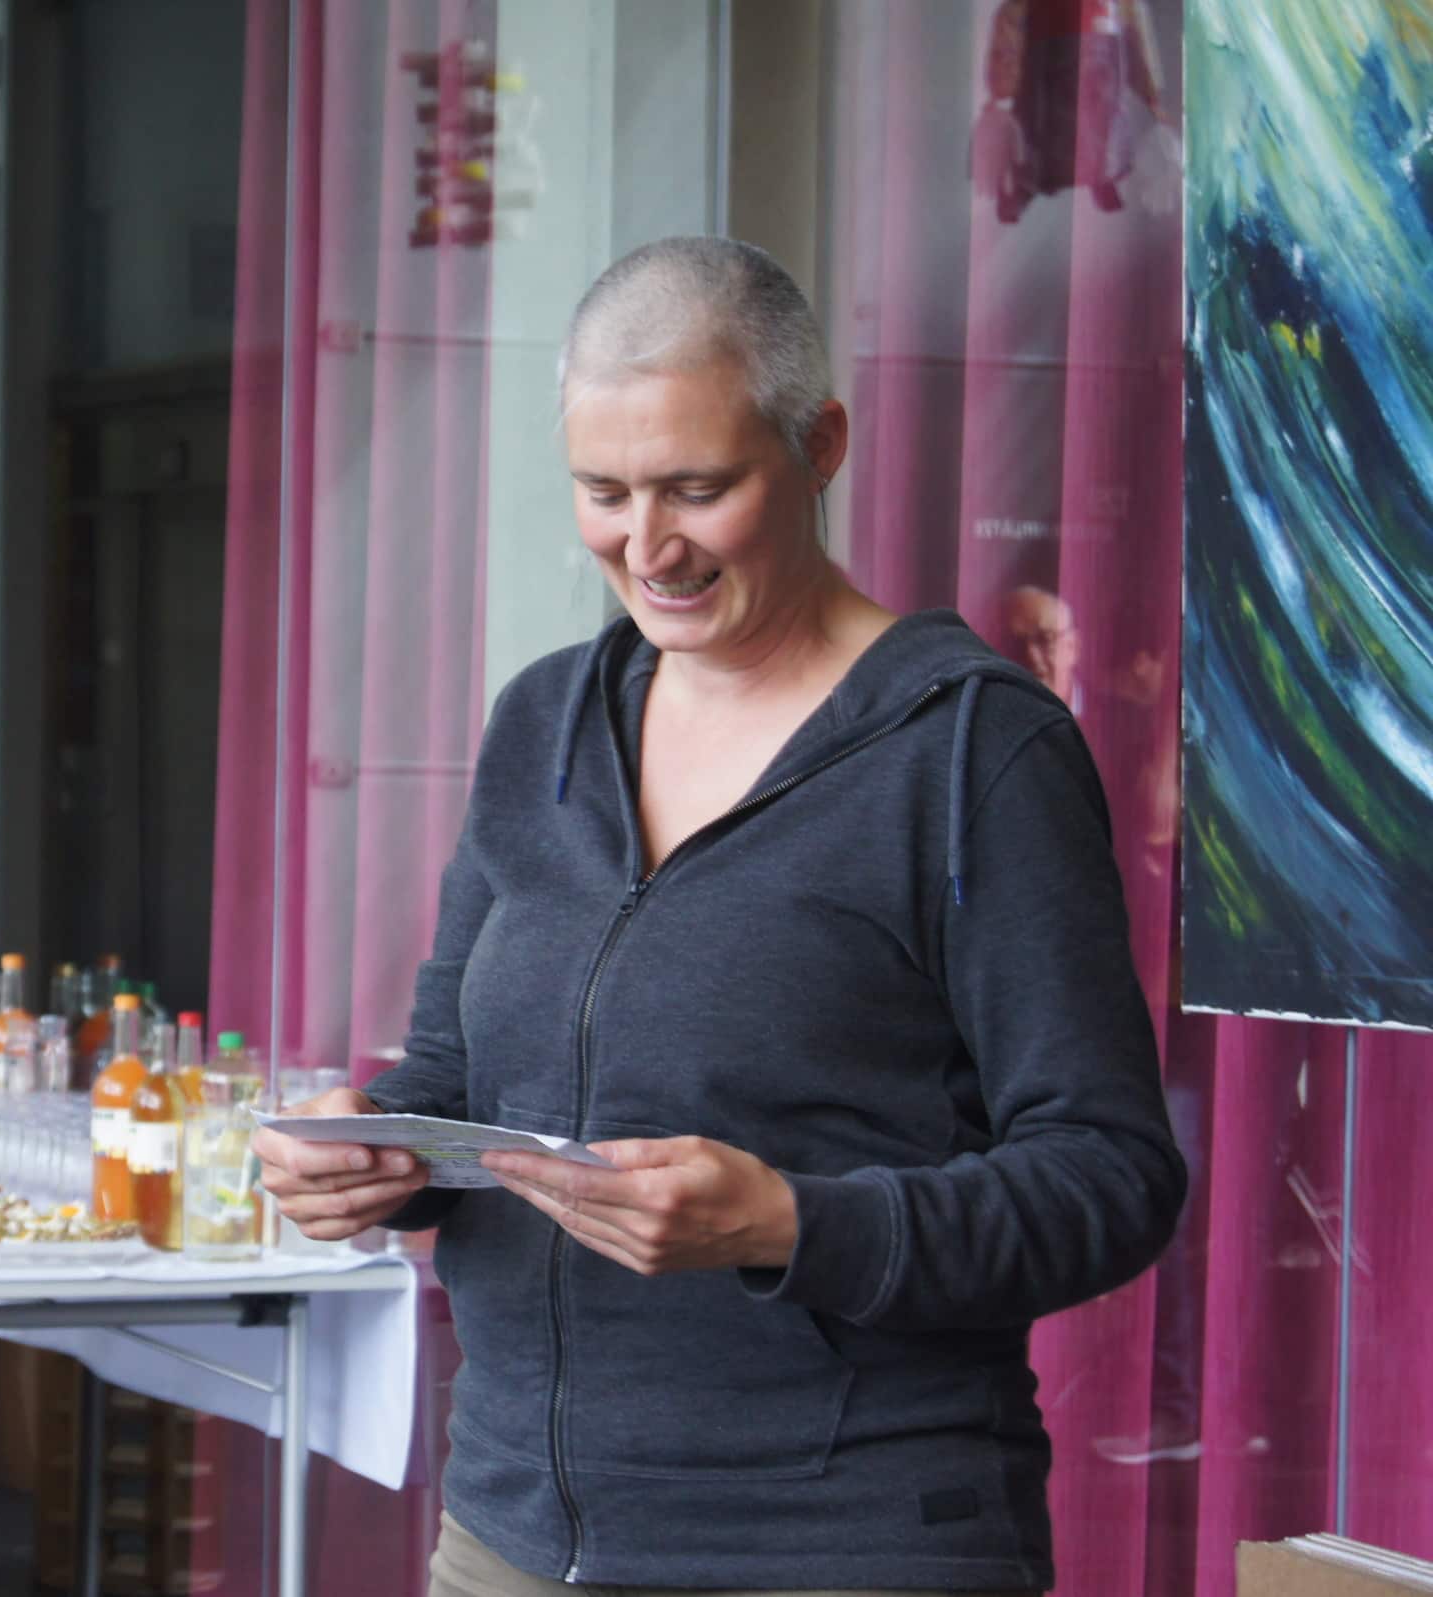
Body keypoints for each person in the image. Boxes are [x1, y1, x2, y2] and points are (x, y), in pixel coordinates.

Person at [252, 237, 1186, 1596]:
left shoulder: (971, 750)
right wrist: (374, 1146)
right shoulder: (545, 722)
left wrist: (788, 1223)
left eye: (700, 487)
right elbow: (456, 1068)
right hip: (511, 1531)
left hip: (844, 1542)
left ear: (821, 446)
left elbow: (1111, 1176)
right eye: (605, 492)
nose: (650, 545)